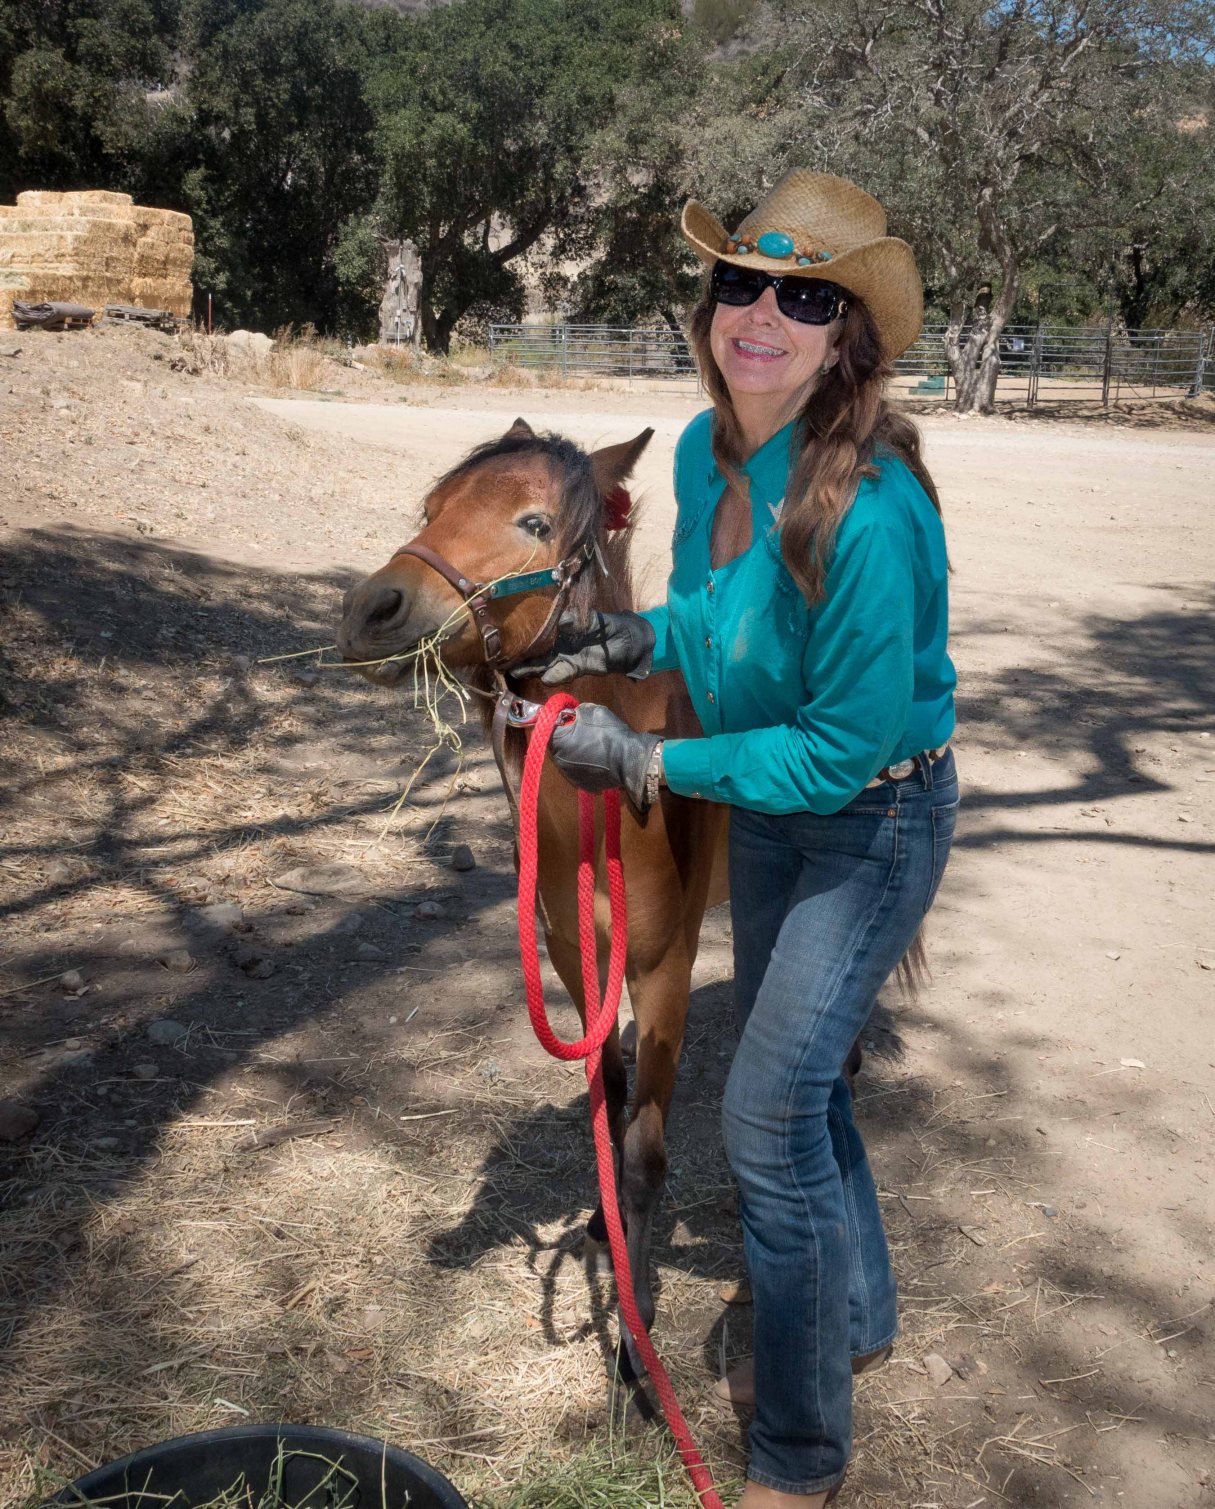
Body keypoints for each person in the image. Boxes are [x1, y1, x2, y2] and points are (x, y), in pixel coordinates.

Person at [522, 169, 958, 1507]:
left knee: (764, 1121)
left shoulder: (871, 508)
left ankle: (799, 1457)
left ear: (846, 337)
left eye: (805, 297)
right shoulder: (719, 454)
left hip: (870, 818)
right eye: (740, 284)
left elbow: (837, 749)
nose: (762, 313)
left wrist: (655, 759)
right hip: (773, 809)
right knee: (805, 1091)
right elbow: (722, 620)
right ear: (710, 305)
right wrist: (635, 637)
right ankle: (855, 1315)